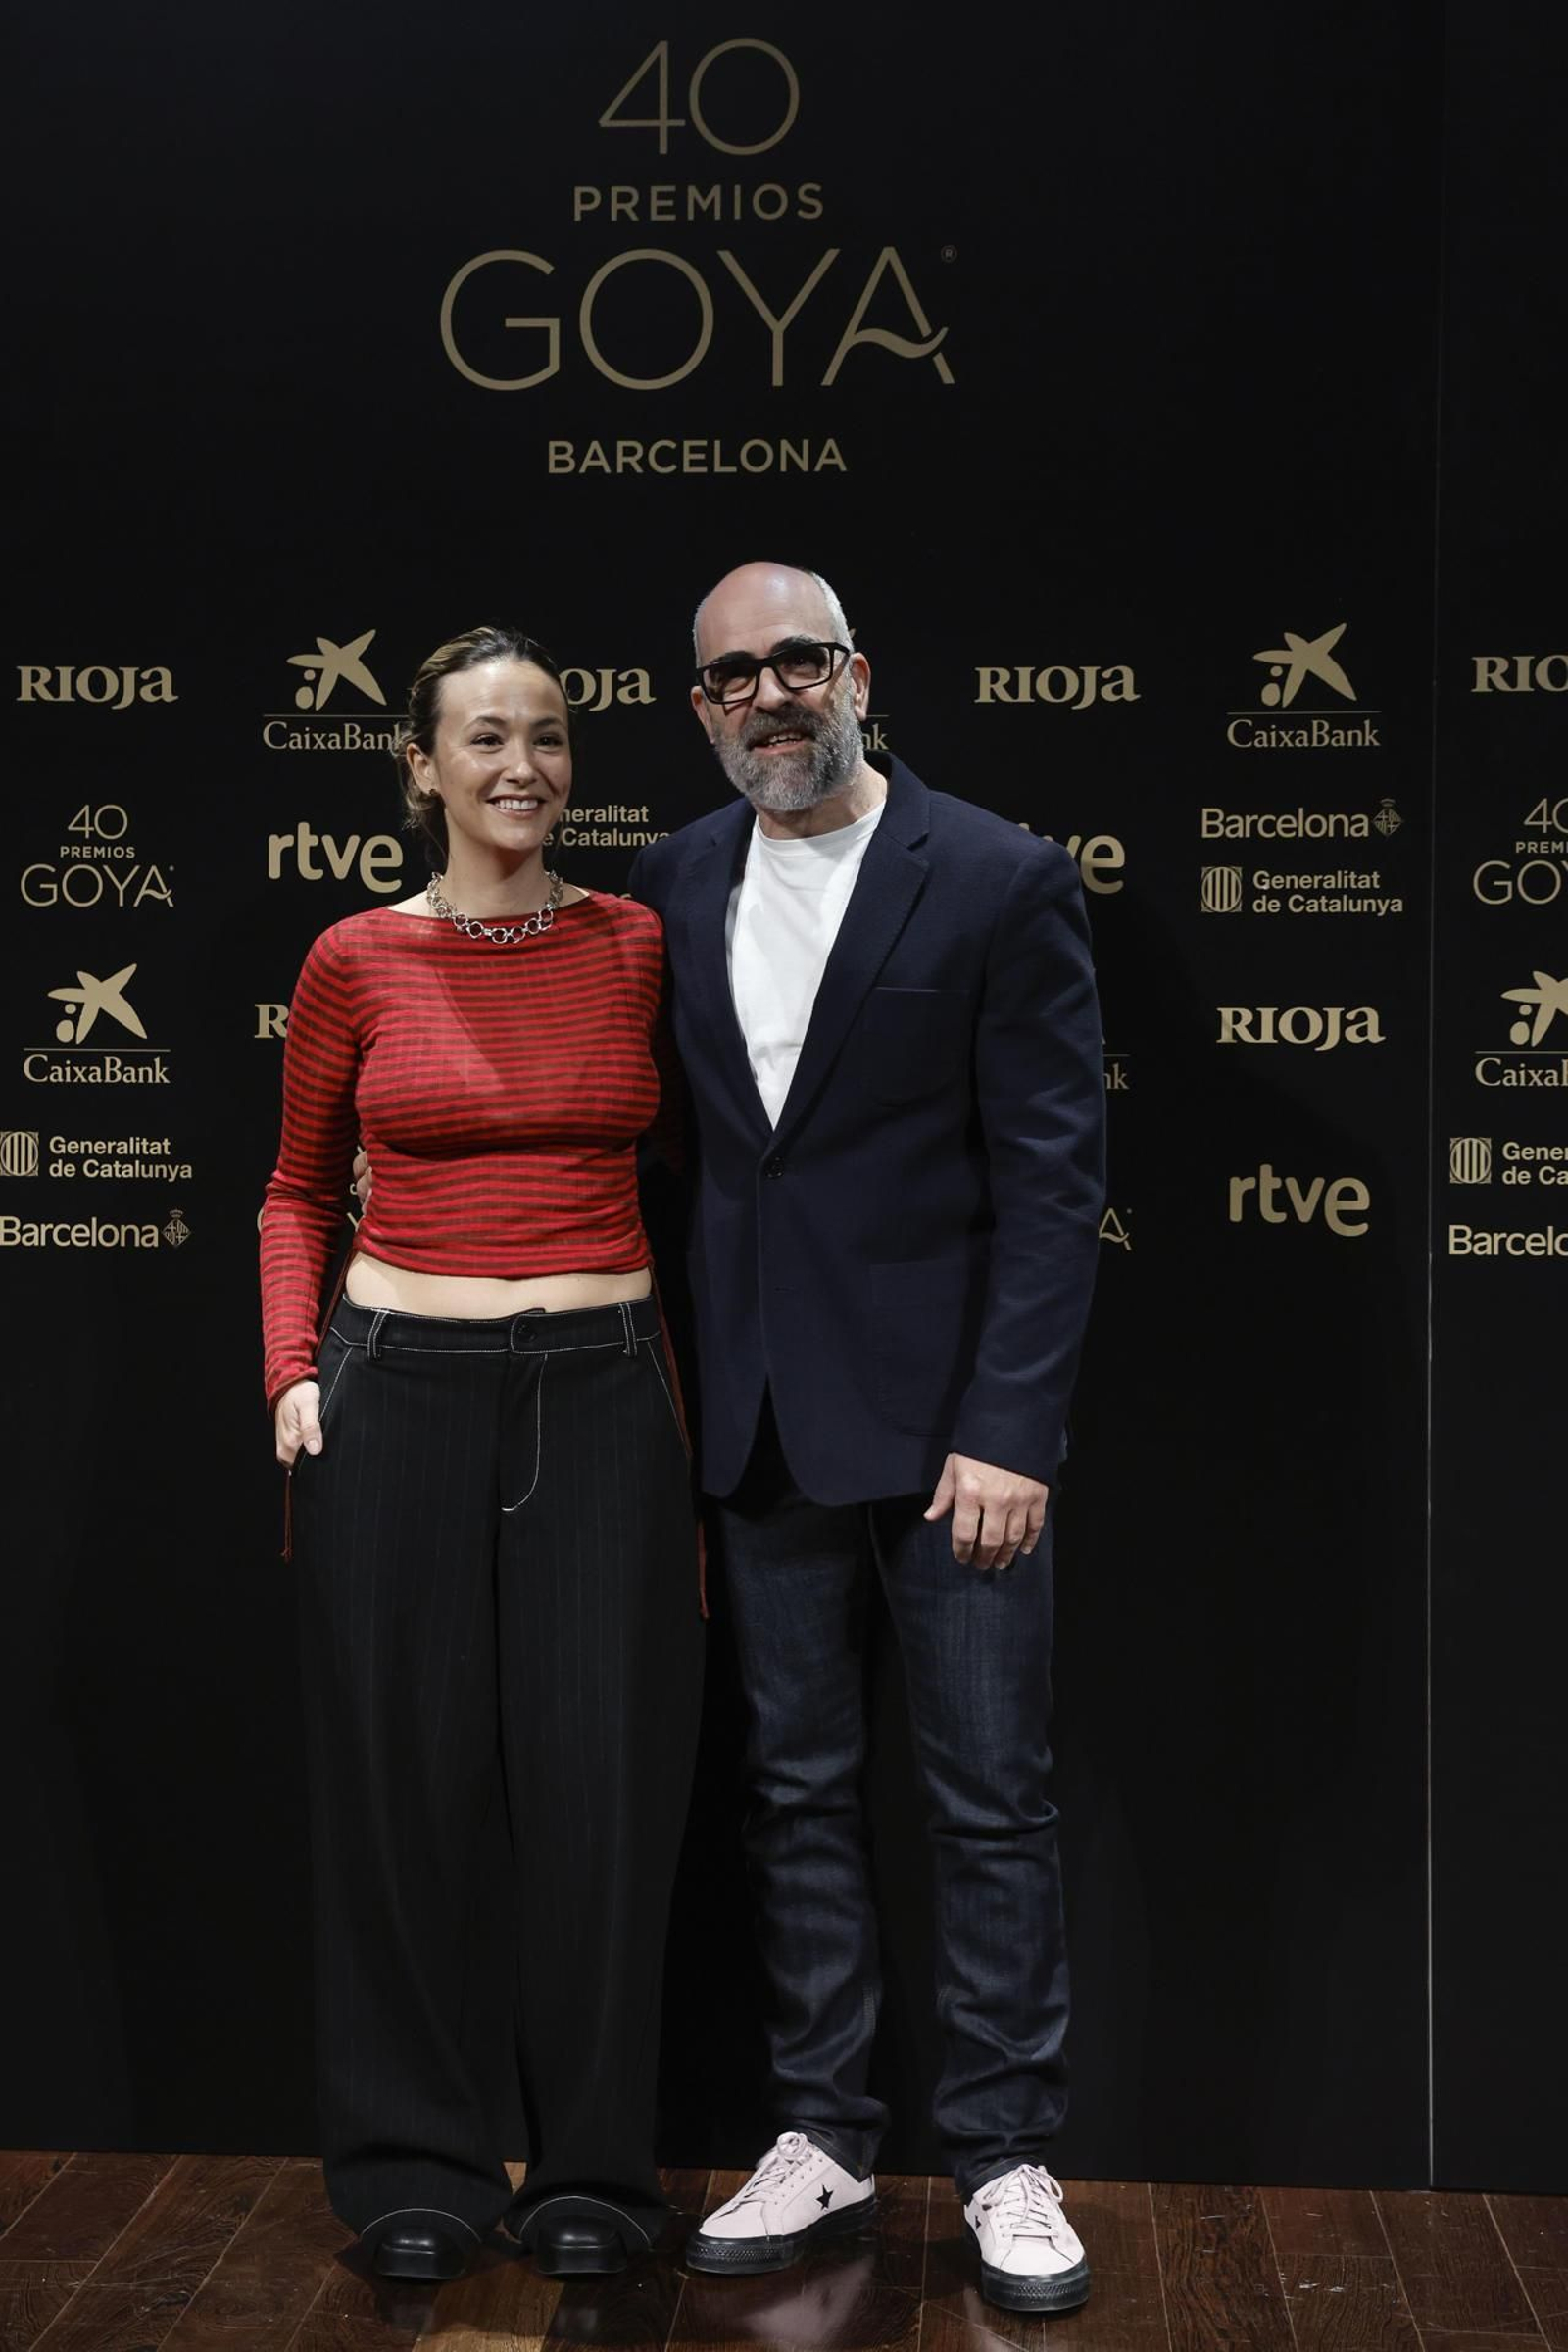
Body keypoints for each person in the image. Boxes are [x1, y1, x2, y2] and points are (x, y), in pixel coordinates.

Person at [628, 563, 1105, 2316]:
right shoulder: (670, 880)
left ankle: (1002, 2155)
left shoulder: (995, 876)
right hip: (754, 1429)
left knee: (989, 1806)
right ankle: (823, 2132)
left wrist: (1011, 1430)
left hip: (952, 1448)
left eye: (794, 663)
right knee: (795, 1797)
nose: (768, 695)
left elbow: (1057, 1190)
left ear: (854, 673)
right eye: (730, 676)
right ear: (700, 708)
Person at [261, 624, 703, 2285]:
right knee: (405, 1788)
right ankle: (411, 2163)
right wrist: (294, 1372)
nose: (523, 766)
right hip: (398, 1389)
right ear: (422, 767)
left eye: (550, 736)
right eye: (486, 739)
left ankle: (593, 2162)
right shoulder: (353, 960)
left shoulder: (639, 941)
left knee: (602, 1791)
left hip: (599, 1386)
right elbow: (296, 1189)